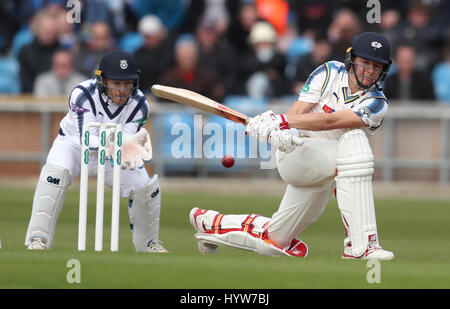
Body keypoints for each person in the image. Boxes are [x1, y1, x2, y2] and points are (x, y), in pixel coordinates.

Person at [189, 32, 395, 260]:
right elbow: (297, 112)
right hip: (297, 154)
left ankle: (210, 223)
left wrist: (283, 121)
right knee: (357, 149)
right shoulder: (329, 72)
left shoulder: (377, 103)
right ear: (352, 59)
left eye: (376, 66)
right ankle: (361, 246)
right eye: (365, 63)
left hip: (327, 169)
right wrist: (284, 130)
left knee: (275, 240)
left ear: (384, 70)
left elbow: (331, 121)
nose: (369, 71)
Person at [25, 50, 168, 253]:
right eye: (116, 83)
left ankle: (148, 244)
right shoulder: (82, 94)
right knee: (53, 177)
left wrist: (131, 145)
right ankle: (37, 238)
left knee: (147, 188)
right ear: (102, 80)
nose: (122, 90)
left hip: (111, 155)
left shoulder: (140, 105)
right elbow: (87, 138)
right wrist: (121, 144)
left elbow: (126, 139)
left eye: (127, 84)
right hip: (73, 147)